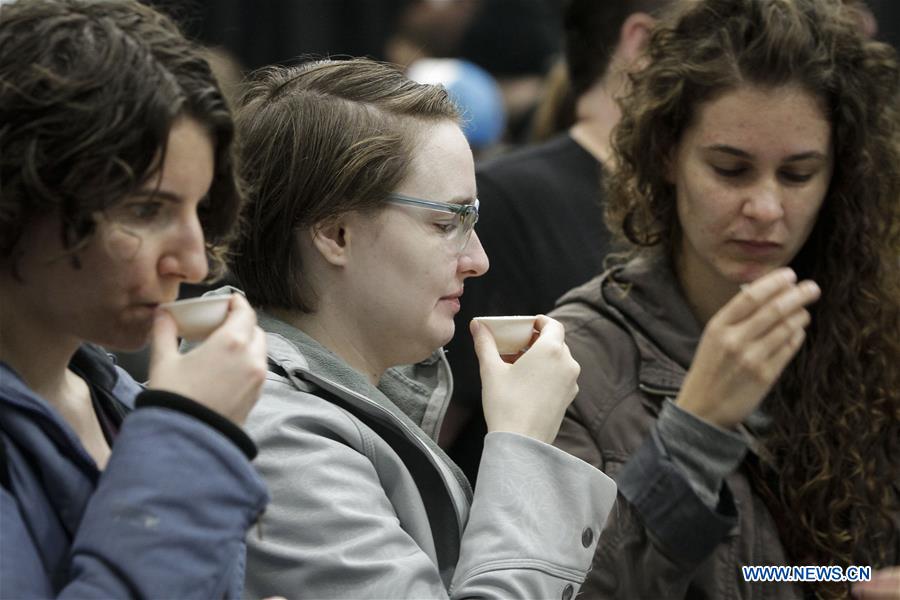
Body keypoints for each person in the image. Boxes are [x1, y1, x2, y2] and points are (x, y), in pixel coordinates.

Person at [229, 57, 617, 598]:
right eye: (446, 223)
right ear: (335, 234)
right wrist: (524, 444)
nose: (478, 261)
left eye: (472, 223)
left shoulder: (329, 403)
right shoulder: (273, 434)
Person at [549, 0, 900, 598]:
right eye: (731, 169)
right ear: (668, 156)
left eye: (797, 175)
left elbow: (779, 573)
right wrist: (694, 435)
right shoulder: (576, 357)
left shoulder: (869, 328)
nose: (765, 209)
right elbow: (572, 589)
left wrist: (854, 582)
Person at [0, 1, 269, 597]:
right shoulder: (171, 419)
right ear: (19, 195)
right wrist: (191, 436)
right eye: (145, 210)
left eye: (200, 211)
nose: (194, 263)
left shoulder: (121, 400)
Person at [443, 0, 674, 481]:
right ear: (643, 43)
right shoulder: (504, 202)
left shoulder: (691, 217)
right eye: (725, 36)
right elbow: (428, 440)